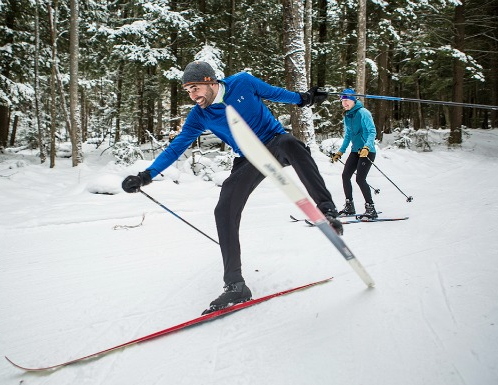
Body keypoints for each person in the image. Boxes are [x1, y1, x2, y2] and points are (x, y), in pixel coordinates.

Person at [122, 60, 342, 314]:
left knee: (292, 144)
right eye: (188, 91)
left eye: (195, 88)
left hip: (274, 143)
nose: (193, 96)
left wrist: (304, 99)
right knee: (224, 207)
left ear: (210, 82)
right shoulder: (199, 115)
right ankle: (235, 285)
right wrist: (146, 175)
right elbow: (176, 147)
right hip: (247, 158)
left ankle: (327, 210)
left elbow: (275, 93)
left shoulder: (243, 83)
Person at [331, 88, 378, 219]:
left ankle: (371, 208)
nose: (344, 103)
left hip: (367, 152)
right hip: (355, 151)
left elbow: (372, 132)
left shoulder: (363, 112)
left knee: (360, 179)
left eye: (346, 101)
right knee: (345, 175)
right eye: (342, 101)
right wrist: (341, 151)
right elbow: (348, 136)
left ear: (353, 100)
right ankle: (349, 206)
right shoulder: (348, 115)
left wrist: (367, 147)